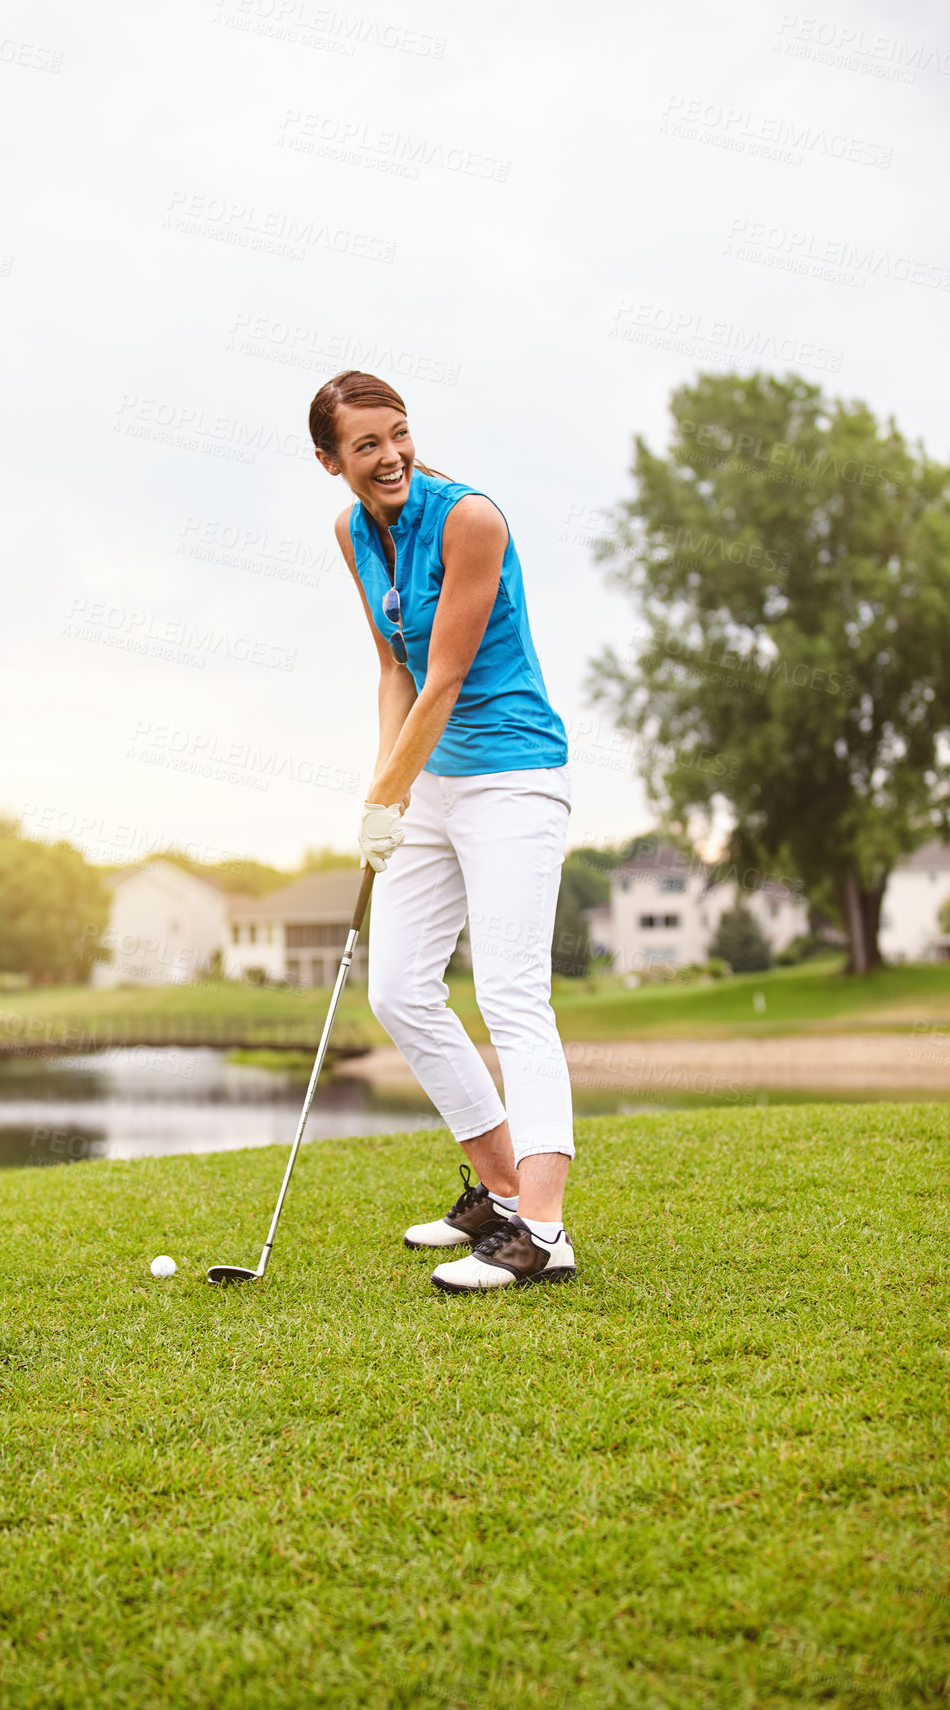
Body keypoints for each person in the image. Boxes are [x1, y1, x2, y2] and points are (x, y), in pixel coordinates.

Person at [309, 370, 576, 1293]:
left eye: (399, 435)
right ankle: (501, 1196)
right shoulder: (352, 532)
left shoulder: (472, 521)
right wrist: (384, 791)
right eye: (367, 446)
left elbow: (447, 676)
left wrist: (389, 791)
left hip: (513, 775)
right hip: (433, 778)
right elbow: (393, 667)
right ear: (330, 462)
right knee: (399, 992)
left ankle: (543, 1231)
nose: (391, 457)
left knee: (511, 995)